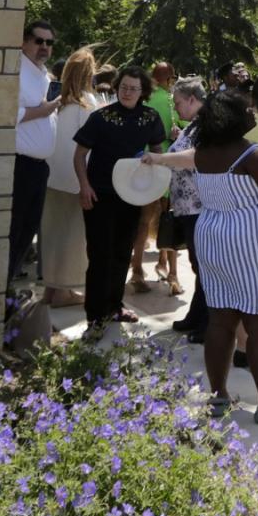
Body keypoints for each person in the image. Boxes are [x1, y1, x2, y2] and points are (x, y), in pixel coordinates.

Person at [154, 90, 258, 417]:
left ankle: (218, 397)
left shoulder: (203, 153)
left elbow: (185, 160)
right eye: (246, 110)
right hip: (250, 242)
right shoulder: (251, 155)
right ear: (231, 118)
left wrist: (156, 159)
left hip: (212, 236)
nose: (252, 114)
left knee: (220, 321)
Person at [72, 67, 166, 340]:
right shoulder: (100, 117)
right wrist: (84, 186)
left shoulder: (150, 117)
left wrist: (156, 187)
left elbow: (158, 153)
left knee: (122, 254)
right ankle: (95, 318)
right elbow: (79, 156)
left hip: (132, 197)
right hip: (100, 195)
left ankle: (115, 307)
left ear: (143, 91)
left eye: (134, 88)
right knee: (100, 257)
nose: (128, 92)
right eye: (124, 86)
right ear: (116, 87)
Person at [42, 47, 99, 309]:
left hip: (52, 177)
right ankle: (64, 292)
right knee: (73, 239)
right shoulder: (87, 103)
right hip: (77, 180)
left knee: (53, 235)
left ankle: (51, 290)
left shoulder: (59, 101)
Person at [10, 20, 59, 286]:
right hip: (20, 165)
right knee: (15, 231)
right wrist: (42, 112)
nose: (44, 47)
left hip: (39, 166)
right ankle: (0, 291)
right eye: (38, 41)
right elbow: (5, 114)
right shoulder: (15, 70)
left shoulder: (43, 74)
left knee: (27, 232)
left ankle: (5, 293)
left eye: (49, 43)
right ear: (24, 41)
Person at [132, 61, 183, 294]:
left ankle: (137, 270)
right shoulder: (171, 100)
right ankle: (172, 274)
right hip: (164, 163)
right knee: (169, 216)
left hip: (141, 164)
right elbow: (181, 125)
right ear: (169, 79)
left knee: (144, 221)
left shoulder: (142, 99)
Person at [166, 77, 210, 340]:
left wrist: (160, 158)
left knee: (203, 267)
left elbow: (195, 158)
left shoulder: (206, 125)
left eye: (179, 102)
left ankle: (206, 324)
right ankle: (197, 315)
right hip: (188, 208)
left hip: (198, 208)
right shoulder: (195, 124)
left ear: (192, 99)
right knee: (198, 265)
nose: (176, 108)